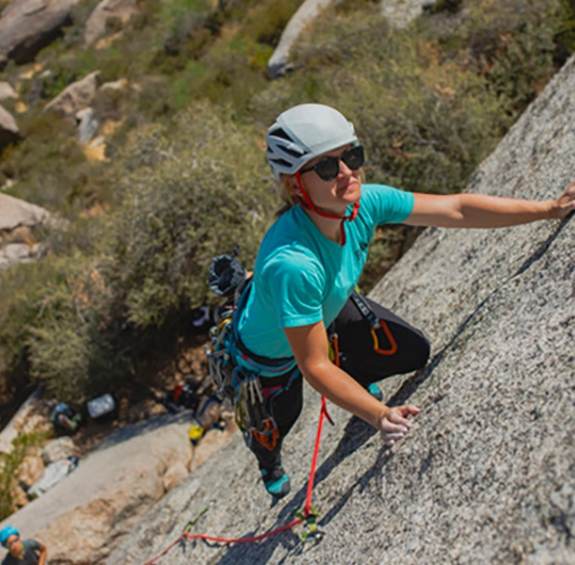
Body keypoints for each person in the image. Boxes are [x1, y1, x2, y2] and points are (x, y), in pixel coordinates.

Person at [225, 103, 575, 499]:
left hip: (326, 307)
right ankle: (266, 458)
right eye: (326, 167)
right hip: (269, 357)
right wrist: (380, 416)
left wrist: (549, 210)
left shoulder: (363, 204)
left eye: (351, 156)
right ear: (294, 184)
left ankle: (353, 370)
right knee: (276, 422)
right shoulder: (293, 264)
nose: (346, 173)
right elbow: (314, 365)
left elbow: (455, 209)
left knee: (411, 352)